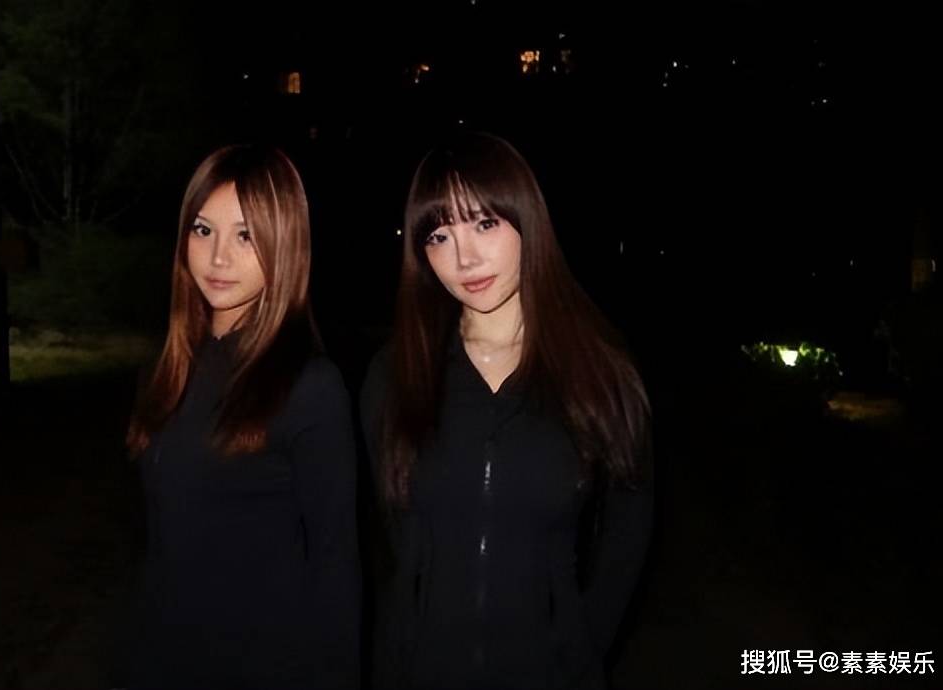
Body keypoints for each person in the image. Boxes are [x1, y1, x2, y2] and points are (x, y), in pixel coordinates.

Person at [361, 132, 654, 689]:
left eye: (485, 224)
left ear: (527, 220)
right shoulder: (396, 375)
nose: (464, 257)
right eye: (439, 235)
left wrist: (581, 649)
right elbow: (396, 540)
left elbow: (628, 530)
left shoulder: (599, 373)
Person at [124, 144, 360, 689]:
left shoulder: (309, 386)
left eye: (246, 235)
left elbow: (336, 561)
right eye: (203, 230)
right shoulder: (165, 370)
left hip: (263, 664)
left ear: (284, 243)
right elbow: (160, 544)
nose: (218, 257)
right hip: (163, 659)